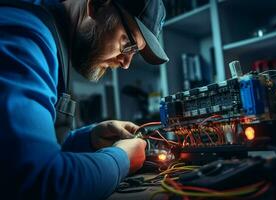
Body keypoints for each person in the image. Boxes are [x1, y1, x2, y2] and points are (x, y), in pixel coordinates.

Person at [0, 0, 168, 199]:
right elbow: (39, 181)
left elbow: (15, 151)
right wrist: (121, 160)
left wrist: (88, 140)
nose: (125, 64)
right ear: (96, 5)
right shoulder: (25, 35)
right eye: (128, 44)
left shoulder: (51, 38)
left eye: (134, 52)